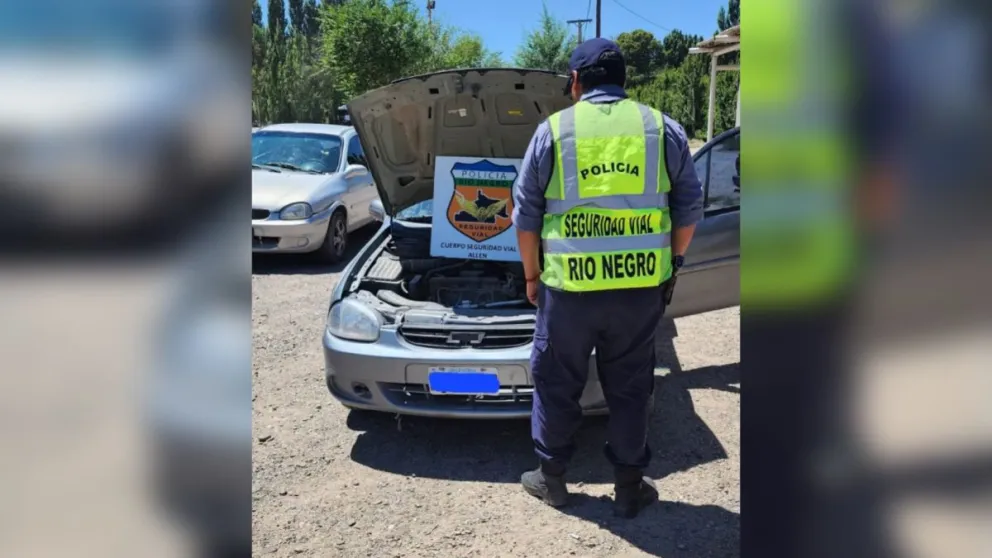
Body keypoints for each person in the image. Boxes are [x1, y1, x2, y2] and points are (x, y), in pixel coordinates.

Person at [511, 38, 704, 518]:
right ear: (624, 82)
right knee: (631, 387)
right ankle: (628, 487)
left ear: (575, 82)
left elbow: (526, 217)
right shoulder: (663, 128)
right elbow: (690, 208)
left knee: (557, 382)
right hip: (638, 291)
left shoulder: (553, 131)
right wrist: (672, 265)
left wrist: (532, 277)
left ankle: (552, 479)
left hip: (569, 291)